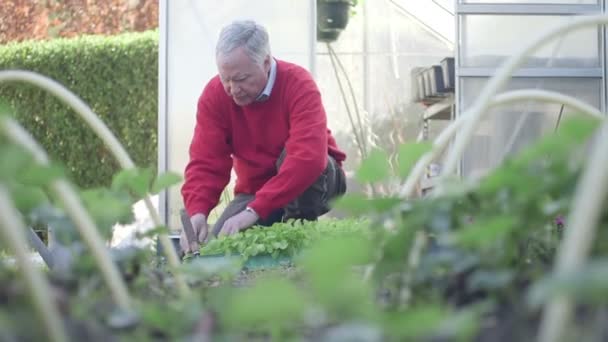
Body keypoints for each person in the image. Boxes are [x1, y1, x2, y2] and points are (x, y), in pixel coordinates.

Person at [180, 20, 347, 254]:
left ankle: (301, 240)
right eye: (225, 78)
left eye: (240, 79)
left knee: (295, 160)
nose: (232, 88)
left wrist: (254, 211)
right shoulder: (215, 95)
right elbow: (206, 161)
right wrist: (197, 211)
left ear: (266, 62)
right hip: (256, 191)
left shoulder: (298, 84)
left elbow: (307, 159)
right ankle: (275, 224)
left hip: (318, 181)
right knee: (219, 246)